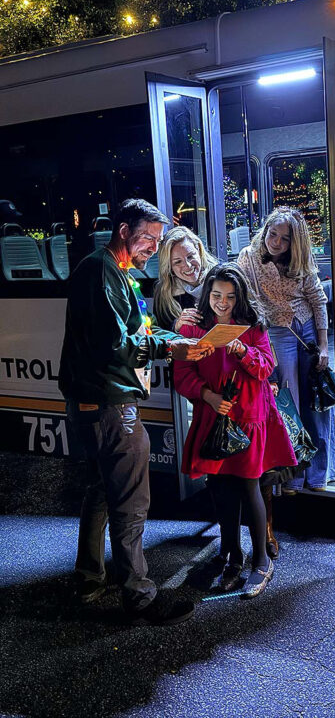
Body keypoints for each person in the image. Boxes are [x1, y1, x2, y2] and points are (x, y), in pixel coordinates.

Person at [60, 199, 214, 625]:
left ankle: (90, 577)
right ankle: (140, 595)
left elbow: (139, 330)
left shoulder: (118, 271)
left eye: (158, 240)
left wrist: (175, 339)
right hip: (110, 403)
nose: (153, 247)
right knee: (130, 499)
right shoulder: (102, 271)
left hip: (96, 402)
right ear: (124, 231)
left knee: (102, 489)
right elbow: (117, 344)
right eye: (148, 237)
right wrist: (172, 346)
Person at [174, 263, 296, 597]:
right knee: (219, 487)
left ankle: (261, 561)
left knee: (248, 486)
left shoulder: (252, 326)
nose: (222, 302)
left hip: (249, 417)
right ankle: (232, 556)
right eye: (215, 295)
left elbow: (266, 366)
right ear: (207, 295)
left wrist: (242, 350)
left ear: (239, 296)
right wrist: (207, 395)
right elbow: (182, 373)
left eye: (229, 296)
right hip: (214, 416)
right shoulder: (194, 329)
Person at [238, 208, 335, 495]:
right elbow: (240, 293)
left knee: (316, 402)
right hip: (275, 332)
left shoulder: (301, 262)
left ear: (295, 243)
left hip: (305, 328)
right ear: (265, 230)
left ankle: (320, 474)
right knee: (287, 403)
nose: (276, 242)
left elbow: (319, 302)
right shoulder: (248, 258)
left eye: (284, 239)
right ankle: (292, 476)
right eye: (273, 234)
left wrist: (323, 345)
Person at [153, 225, 218, 331]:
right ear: (169, 266)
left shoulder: (221, 277)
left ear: (199, 250)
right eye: (178, 262)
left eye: (191, 256)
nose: (188, 265)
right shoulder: (163, 292)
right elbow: (160, 334)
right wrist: (176, 326)